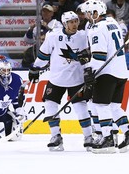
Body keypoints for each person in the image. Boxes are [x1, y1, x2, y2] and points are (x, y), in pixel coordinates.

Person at [81, 0, 129, 153]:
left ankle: (107, 138)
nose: (86, 16)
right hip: (121, 71)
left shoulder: (96, 29)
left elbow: (99, 57)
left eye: (88, 13)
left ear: (95, 13)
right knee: (114, 106)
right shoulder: (112, 21)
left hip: (106, 73)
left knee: (101, 105)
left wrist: (89, 71)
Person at [28, 11, 93, 151]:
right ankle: (55, 136)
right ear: (64, 23)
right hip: (56, 79)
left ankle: (88, 136)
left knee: (80, 107)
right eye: (71, 22)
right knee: (50, 104)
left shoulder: (83, 36)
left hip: (77, 79)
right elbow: (43, 55)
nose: (75, 24)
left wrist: (88, 68)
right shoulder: (53, 36)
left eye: (76, 21)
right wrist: (35, 68)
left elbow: (91, 54)